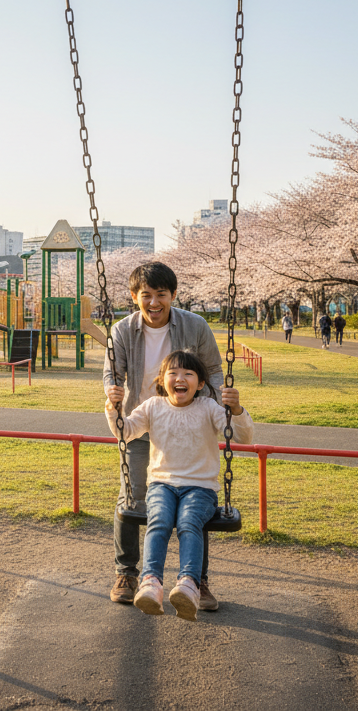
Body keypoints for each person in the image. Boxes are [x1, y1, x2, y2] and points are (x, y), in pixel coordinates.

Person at [103, 261, 223, 610]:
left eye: (161, 295)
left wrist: (213, 409)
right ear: (133, 297)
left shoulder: (194, 325)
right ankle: (126, 571)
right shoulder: (123, 330)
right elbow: (113, 372)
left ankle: (197, 581)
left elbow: (213, 369)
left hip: (185, 417)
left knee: (194, 500)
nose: (154, 303)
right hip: (142, 417)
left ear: (172, 295)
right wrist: (112, 394)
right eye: (146, 296)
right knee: (132, 496)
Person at [106, 350, 254, 621]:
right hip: (162, 484)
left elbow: (242, 436)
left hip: (200, 488)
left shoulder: (209, 408)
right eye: (173, 373)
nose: (180, 378)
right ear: (162, 380)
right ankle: (151, 583)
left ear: (199, 384)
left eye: (188, 373)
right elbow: (124, 431)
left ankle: (188, 584)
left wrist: (236, 410)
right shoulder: (153, 406)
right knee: (159, 520)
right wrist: (113, 407)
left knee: (188, 522)